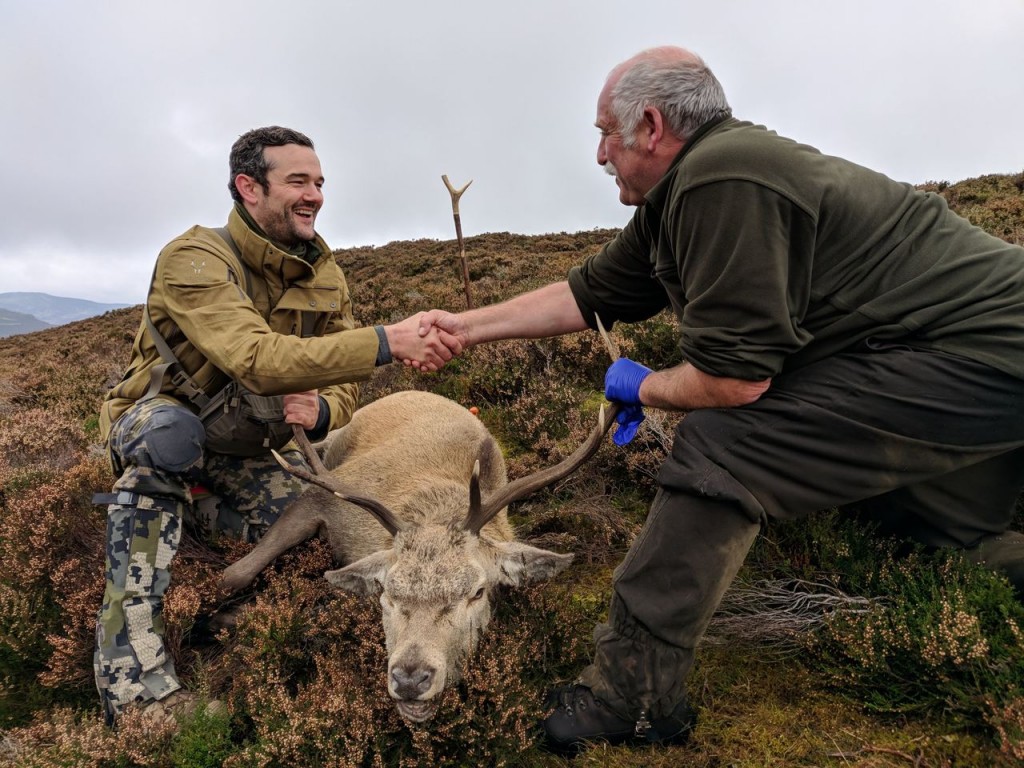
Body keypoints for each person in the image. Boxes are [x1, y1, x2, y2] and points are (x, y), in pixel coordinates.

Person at [418, 47, 1024, 753]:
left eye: (604, 133)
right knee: (945, 536)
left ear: (649, 124)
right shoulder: (686, 191)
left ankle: (631, 697)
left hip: (978, 359)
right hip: (974, 363)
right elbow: (589, 295)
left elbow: (735, 384)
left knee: (724, 446)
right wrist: (463, 328)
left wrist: (642, 386)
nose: (599, 155)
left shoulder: (720, 176)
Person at [94, 125, 451, 726]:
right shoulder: (194, 258)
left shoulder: (326, 275)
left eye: (318, 183)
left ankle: (206, 572)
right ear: (247, 187)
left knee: (321, 534)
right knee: (168, 442)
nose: (314, 195)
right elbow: (254, 359)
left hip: (249, 450)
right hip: (159, 425)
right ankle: (133, 688)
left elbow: (341, 384)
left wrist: (327, 411)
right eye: (297, 182)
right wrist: (388, 341)